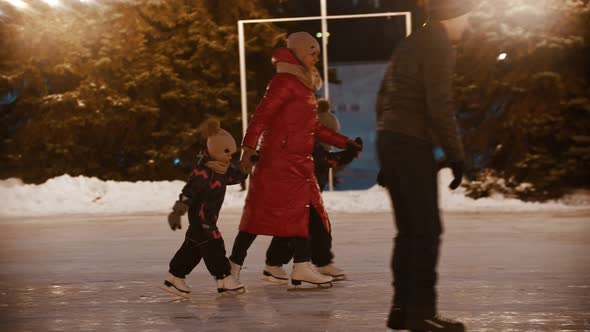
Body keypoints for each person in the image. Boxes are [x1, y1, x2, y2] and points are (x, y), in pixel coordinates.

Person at [229, 31, 363, 289]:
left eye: (317, 52)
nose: (315, 56)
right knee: (258, 217)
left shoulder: (303, 83)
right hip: (278, 159)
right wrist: (247, 148)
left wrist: (344, 141)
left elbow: (314, 128)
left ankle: (301, 266)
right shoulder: (284, 81)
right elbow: (261, 116)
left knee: (299, 214)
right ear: (299, 52)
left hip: (298, 160)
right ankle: (232, 268)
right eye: (311, 51)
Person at [376, 1, 476, 331]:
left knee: (408, 231)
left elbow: (383, 95)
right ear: (454, 16)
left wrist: (388, 152)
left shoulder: (411, 41)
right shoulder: (439, 45)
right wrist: (457, 155)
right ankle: (422, 314)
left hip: (392, 139)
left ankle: (402, 309)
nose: (468, 25)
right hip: (410, 141)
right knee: (426, 230)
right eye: (467, 18)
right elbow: (439, 105)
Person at [258, 99, 358, 284]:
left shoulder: (316, 148)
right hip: (298, 195)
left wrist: (348, 153)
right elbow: (328, 160)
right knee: (306, 228)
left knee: (311, 228)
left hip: (307, 196)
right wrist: (349, 153)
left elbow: (329, 160)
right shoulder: (311, 148)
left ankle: (309, 262)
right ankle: (277, 265)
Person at [160, 119, 248, 297]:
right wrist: (179, 209)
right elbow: (189, 190)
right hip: (201, 218)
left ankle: (174, 277)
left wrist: (247, 165)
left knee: (192, 249)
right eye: (226, 152)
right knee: (214, 245)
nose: (230, 156)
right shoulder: (204, 171)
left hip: (207, 218)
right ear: (215, 150)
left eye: (232, 152)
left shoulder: (221, 169)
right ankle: (223, 279)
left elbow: (235, 177)